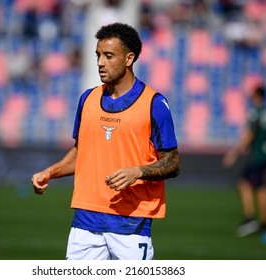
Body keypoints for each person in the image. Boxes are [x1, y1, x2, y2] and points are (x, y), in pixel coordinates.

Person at [31, 22, 181, 260]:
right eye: (98, 55)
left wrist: (138, 172)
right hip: (85, 220)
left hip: (130, 224)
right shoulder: (87, 98)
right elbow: (82, 152)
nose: (100, 62)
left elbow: (172, 162)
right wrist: (51, 171)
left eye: (109, 56)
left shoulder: (154, 104)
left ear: (129, 58)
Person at [223, 84, 266, 244]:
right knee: (253, 185)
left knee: (253, 185)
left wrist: (234, 153)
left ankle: (257, 221)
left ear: (258, 96)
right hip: (265, 155)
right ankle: (257, 221)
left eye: (253, 95)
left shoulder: (256, 113)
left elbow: (249, 135)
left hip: (257, 157)